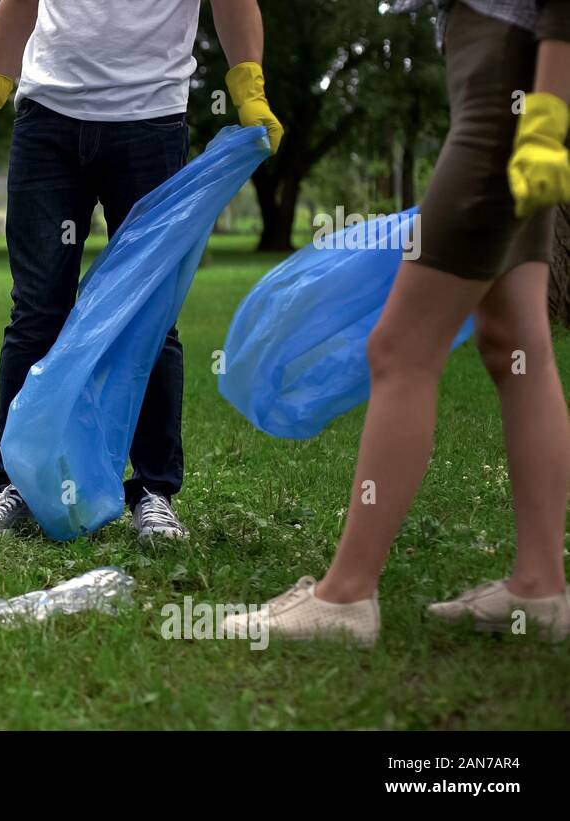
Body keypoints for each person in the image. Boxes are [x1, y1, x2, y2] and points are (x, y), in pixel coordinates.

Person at [224, 0, 570, 645]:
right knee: (515, 344)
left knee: (400, 349)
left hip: (512, 95)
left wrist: (546, 115)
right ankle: (540, 587)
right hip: (508, 87)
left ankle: (345, 597)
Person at [0, 0, 283, 539]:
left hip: (150, 123)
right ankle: (16, 486)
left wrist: (249, 85)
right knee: (37, 310)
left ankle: (153, 492)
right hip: (48, 120)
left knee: (150, 315)